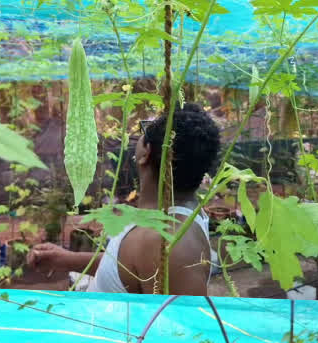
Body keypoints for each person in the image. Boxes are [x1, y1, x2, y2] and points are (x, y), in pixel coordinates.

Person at [27, 103, 221, 295]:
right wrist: (65, 259)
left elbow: (178, 325)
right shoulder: (163, 221)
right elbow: (128, 267)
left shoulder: (172, 245)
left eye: (143, 131)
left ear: (146, 152)